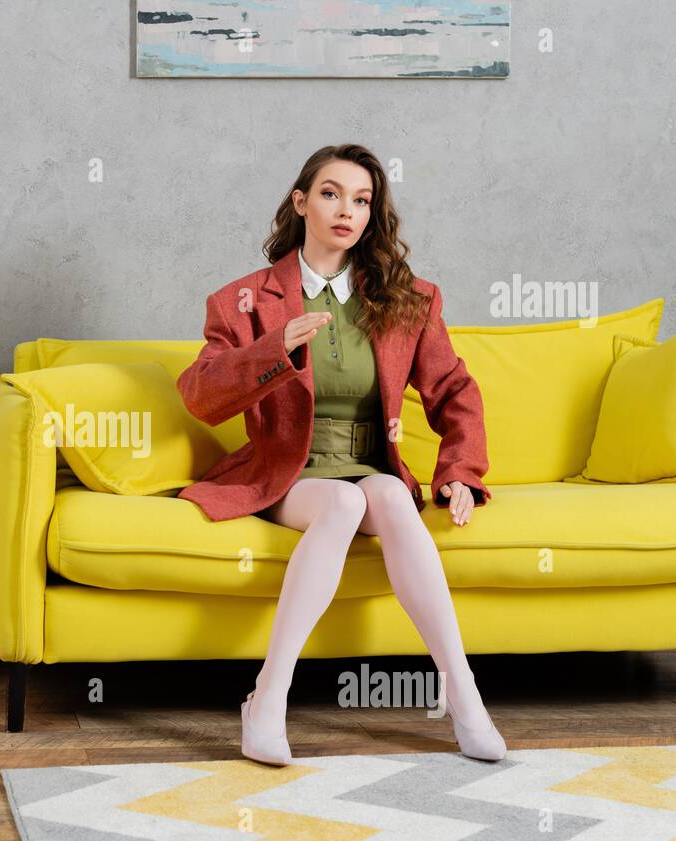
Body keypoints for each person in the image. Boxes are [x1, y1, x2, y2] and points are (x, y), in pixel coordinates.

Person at [176, 144, 506, 766]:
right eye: (330, 194)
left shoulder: (408, 298)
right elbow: (201, 396)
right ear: (300, 202)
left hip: (371, 467)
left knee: (383, 494)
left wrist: (459, 471)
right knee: (347, 501)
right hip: (287, 471)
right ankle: (268, 700)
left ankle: (464, 696)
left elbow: (453, 388)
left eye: (361, 200)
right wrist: (274, 347)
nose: (346, 210)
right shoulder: (241, 301)